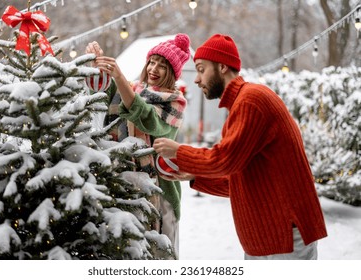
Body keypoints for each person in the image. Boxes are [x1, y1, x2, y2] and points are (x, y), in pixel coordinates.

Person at [153, 34, 328, 260]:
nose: (197, 79)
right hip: (270, 238)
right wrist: (194, 176)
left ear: (222, 67)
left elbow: (225, 160)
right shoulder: (241, 104)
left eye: (201, 69)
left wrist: (178, 151)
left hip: (284, 236)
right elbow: (241, 179)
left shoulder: (251, 100)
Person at [85, 33, 191, 259]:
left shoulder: (174, 102)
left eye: (162, 65)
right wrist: (98, 66)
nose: (154, 68)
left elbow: (146, 118)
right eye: (152, 62)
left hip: (159, 193)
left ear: (172, 73)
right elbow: (105, 94)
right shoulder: (133, 88)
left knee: (157, 255)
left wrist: (120, 77)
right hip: (122, 184)